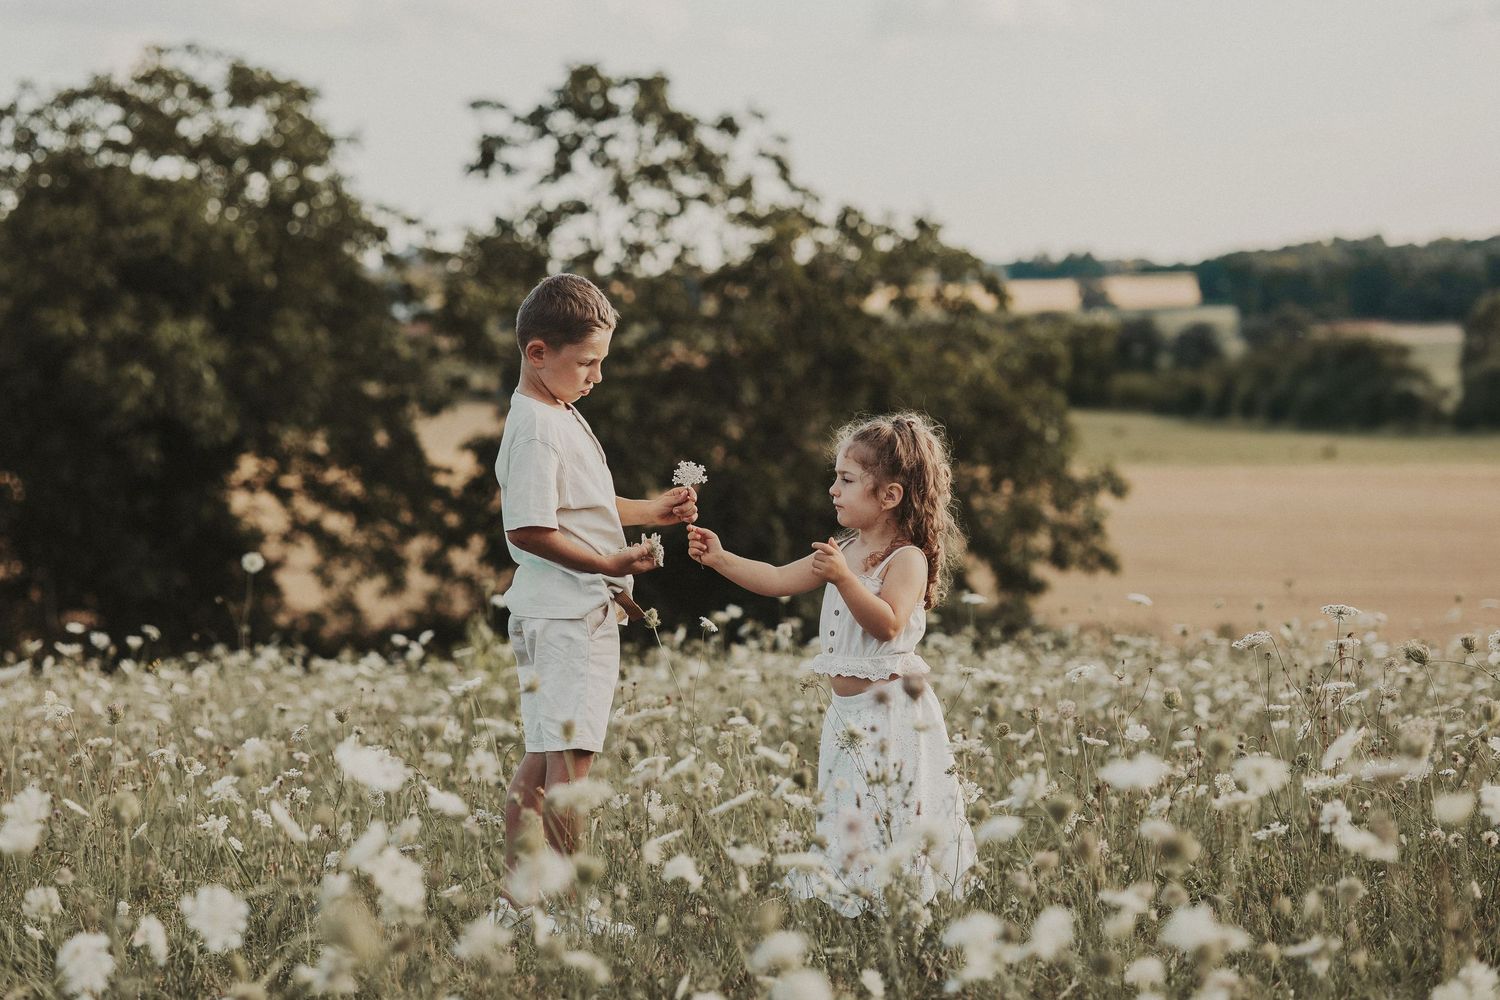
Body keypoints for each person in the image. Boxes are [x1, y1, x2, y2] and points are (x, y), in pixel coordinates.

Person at [687, 412, 976, 916]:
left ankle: (901, 907)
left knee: (892, 810)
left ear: (889, 496)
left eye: (846, 480)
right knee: (850, 812)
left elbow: (888, 623)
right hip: (847, 714)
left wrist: (844, 580)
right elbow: (776, 578)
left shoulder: (905, 559)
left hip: (892, 712)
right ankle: (854, 902)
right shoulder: (844, 549)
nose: (833, 490)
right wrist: (720, 559)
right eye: (836, 478)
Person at [494, 274, 697, 913]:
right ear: (537, 353)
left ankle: (520, 899)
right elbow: (528, 527)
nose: (596, 376)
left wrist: (649, 513)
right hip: (568, 614)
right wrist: (610, 560)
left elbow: (580, 502)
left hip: (556, 608)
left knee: (542, 757)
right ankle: (568, 909)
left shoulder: (556, 412)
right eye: (587, 362)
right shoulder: (534, 426)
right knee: (570, 768)